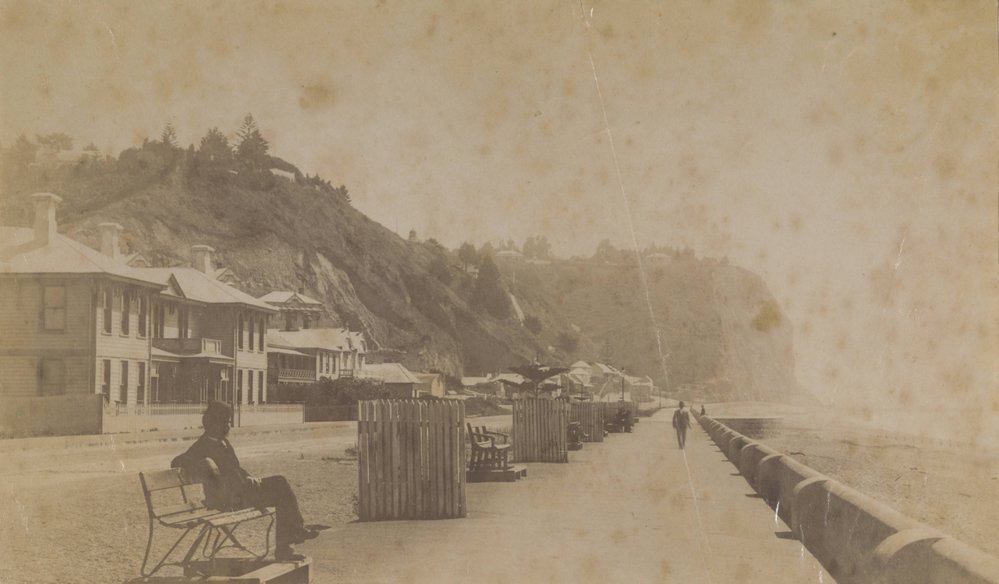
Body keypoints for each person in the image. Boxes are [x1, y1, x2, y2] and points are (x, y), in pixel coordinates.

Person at [171, 401, 317, 561]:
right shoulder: (202, 445)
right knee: (280, 488)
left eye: (228, 421)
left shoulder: (223, 442)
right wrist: (207, 463)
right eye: (225, 421)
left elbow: (236, 468)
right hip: (227, 500)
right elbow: (176, 462)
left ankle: (290, 540)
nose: (228, 425)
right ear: (213, 422)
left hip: (242, 492)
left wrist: (249, 477)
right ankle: (290, 540)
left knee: (280, 483)